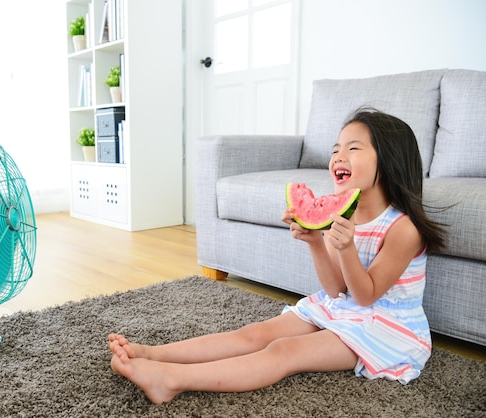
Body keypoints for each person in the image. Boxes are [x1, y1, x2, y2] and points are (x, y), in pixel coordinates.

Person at [107, 108, 447, 404]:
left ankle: (170, 381)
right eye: (335, 149)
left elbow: (366, 294)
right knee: (254, 334)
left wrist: (344, 248)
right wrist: (316, 241)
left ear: (387, 163)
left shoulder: (403, 230)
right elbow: (334, 290)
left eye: (353, 148)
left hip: (384, 326)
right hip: (341, 306)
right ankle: (154, 354)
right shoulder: (342, 214)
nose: (338, 157)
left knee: (285, 351)